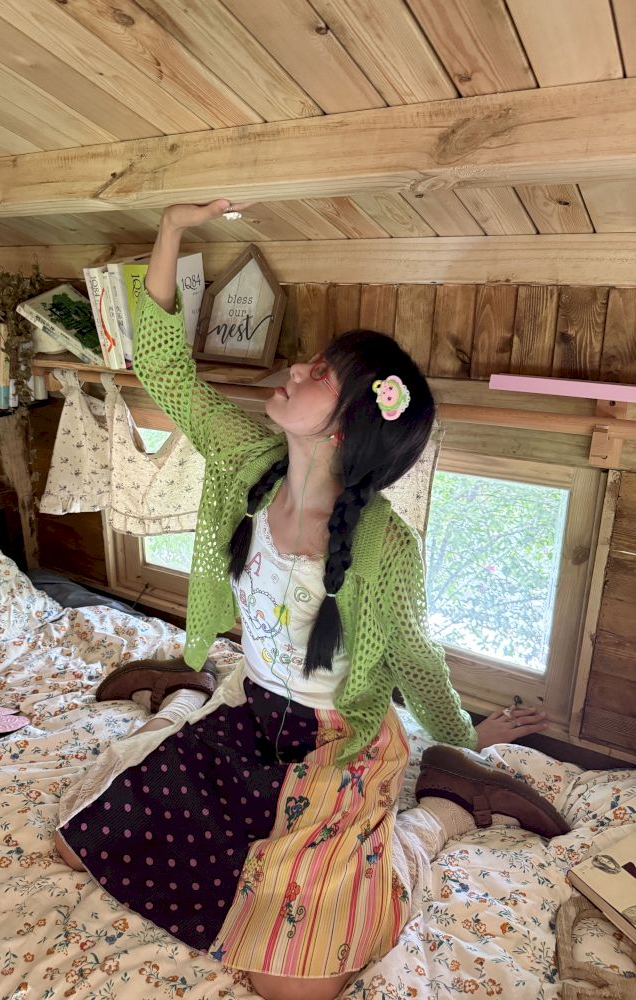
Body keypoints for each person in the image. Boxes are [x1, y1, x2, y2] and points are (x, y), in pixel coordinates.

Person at [55, 200, 564, 1000]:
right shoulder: (248, 459)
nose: (294, 369)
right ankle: (184, 698)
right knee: (77, 847)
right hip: (253, 713)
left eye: (318, 374)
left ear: (345, 427)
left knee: (295, 988)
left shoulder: (384, 544)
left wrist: (465, 735)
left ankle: (441, 812)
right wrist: (172, 229)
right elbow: (164, 372)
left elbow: (413, 656)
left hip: (337, 745)